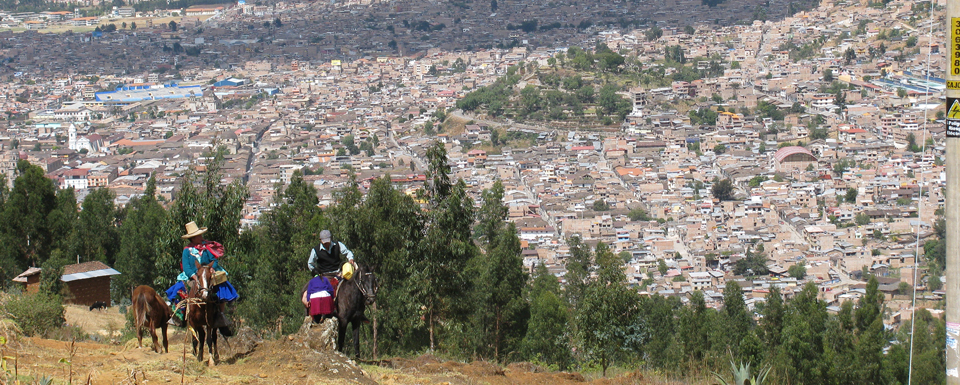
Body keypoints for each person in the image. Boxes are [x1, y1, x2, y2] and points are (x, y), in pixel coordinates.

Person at [167, 221, 238, 336]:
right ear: (193, 238)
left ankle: (221, 314)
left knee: (221, 286)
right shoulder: (187, 251)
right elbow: (186, 267)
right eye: (199, 235)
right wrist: (194, 276)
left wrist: (212, 268)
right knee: (181, 290)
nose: (201, 237)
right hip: (193, 275)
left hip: (207, 274)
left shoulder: (206, 247)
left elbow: (214, 259)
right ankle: (180, 315)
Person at [303, 230, 355, 318]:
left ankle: (357, 311)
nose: (326, 244)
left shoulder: (338, 245)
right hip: (324, 275)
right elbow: (310, 263)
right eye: (324, 242)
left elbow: (347, 252)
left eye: (328, 242)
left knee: (353, 286)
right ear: (320, 240)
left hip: (339, 273)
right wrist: (316, 272)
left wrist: (350, 259)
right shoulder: (315, 250)